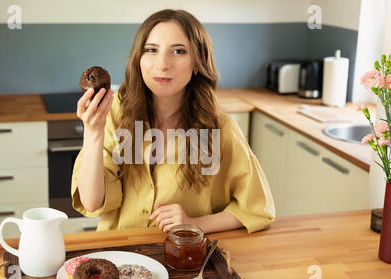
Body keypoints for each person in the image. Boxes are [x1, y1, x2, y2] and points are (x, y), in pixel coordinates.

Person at [71, 9, 275, 234]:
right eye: (151, 50)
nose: (163, 64)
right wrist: (93, 132)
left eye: (178, 51)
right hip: (120, 256)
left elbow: (258, 210)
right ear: (139, 59)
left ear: (197, 62)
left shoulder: (219, 129)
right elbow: (91, 202)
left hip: (182, 260)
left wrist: (196, 224)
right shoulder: (115, 112)